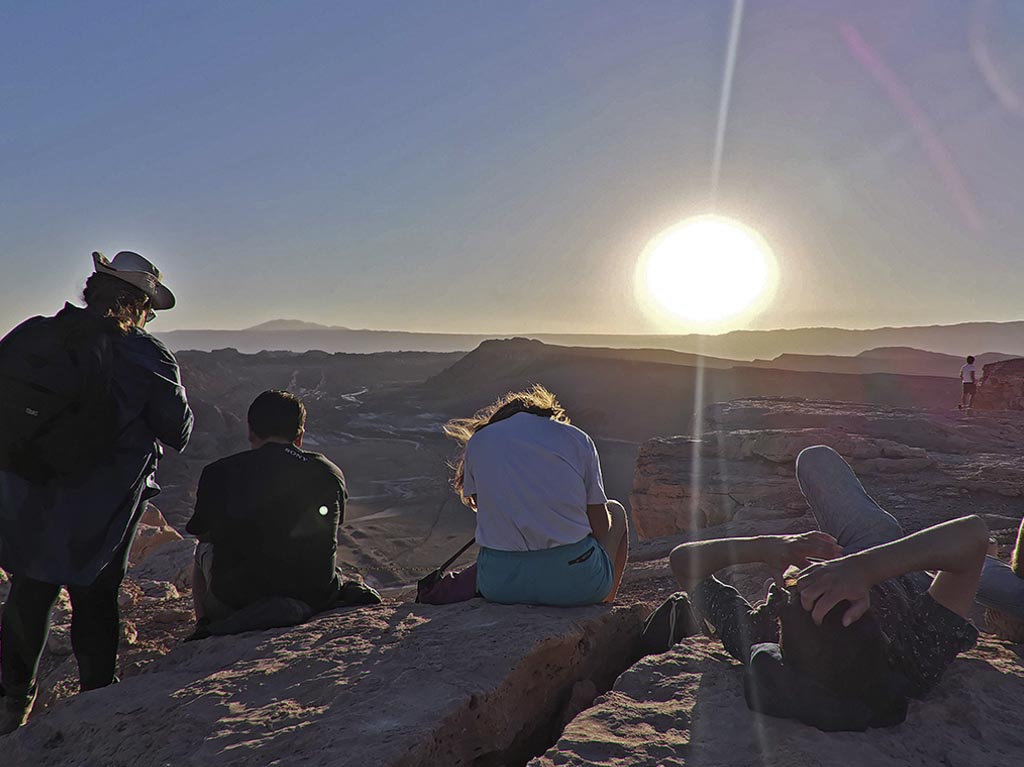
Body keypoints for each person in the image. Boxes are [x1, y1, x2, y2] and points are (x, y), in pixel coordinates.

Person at [0, 251, 193, 735]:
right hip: (103, 504)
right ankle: (96, 701)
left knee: (28, 592)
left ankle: (11, 701)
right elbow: (179, 430)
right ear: (136, 304)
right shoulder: (146, 354)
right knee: (96, 596)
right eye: (149, 307)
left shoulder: (32, 334)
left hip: (27, 490)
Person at [666, 445, 986, 731]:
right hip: (901, 560)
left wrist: (764, 547)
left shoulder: (760, 631)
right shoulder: (912, 658)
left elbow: (682, 562)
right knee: (986, 574)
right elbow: (973, 535)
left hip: (860, 555)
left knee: (814, 458)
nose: (786, 586)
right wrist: (864, 568)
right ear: (871, 616)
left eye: (793, 589)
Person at [185, 390, 380, 633]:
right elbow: (330, 528)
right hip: (315, 594)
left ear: (250, 430)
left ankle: (204, 625)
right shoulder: (328, 472)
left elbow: (204, 535)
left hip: (237, 599)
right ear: (299, 435)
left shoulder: (218, 472)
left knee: (201, 549)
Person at [444, 385, 628, 606]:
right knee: (615, 511)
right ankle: (603, 605)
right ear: (547, 412)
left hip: (500, 586)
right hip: (576, 585)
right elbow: (600, 526)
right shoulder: (577, 438)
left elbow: (485, 510)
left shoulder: (480, 441)